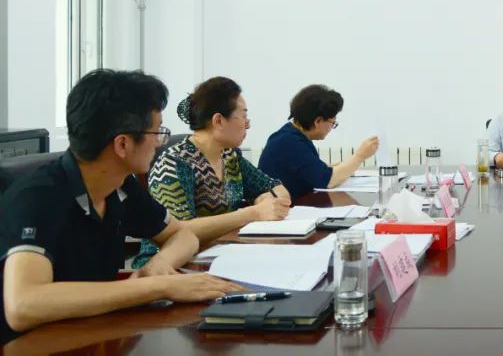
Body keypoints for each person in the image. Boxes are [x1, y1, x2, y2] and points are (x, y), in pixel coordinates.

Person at [0, 70, 242, 343]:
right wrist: (158, 287)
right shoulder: (38, 197)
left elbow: (182, 234)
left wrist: (160, 265)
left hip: (90, 334)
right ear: (123, 144)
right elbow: (23, 305)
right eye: (157, 132)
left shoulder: (120, 185)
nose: (159, 143)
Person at [134, 77, 291, 268]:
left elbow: (278, 189)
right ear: (218, 121)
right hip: (168, 265)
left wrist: (263, 199)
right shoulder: (174, 163)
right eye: (243, 116)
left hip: (220, 254)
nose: (248, 124)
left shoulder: (229, 156)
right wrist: (253, 213)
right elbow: (178, 231)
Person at [258, 84, 379, 197]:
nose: (332, 127)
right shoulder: (289, 142)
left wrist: (345, 166)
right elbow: (328, 180)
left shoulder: (292, 135)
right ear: (318, 121)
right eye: (333, 123)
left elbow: (314, 169)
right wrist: (360, 156)